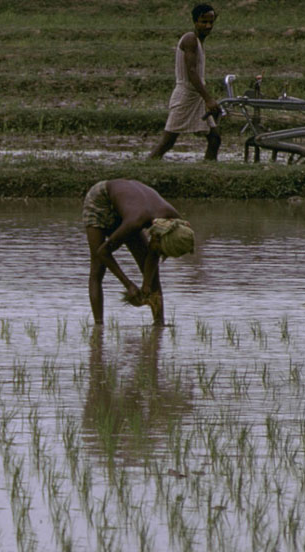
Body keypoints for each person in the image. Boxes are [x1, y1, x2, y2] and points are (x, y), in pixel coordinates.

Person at [82, 179, 195, 326]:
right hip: (102, 199)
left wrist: (146, 285)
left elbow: (155, 250)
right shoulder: (136, 221)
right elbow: (102, 252)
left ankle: (159, 325)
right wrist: (128, 285)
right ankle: (98, 328)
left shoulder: (176, 223)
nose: (158, 252)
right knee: (98, 268)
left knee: (154, 275)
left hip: (130, 205)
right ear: (160, 236)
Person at [148, 3, 221, 161]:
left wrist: (205, 98)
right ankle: (146, 167)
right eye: (204, 22)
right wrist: (208, 99)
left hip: (196, 96)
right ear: (195, 22)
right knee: (167, 142)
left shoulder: (199, 41)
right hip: (185, 95)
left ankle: (209, 171)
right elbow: (192, 72)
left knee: (215, 138)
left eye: (211, 22)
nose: (208, 26)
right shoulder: (190, 39)